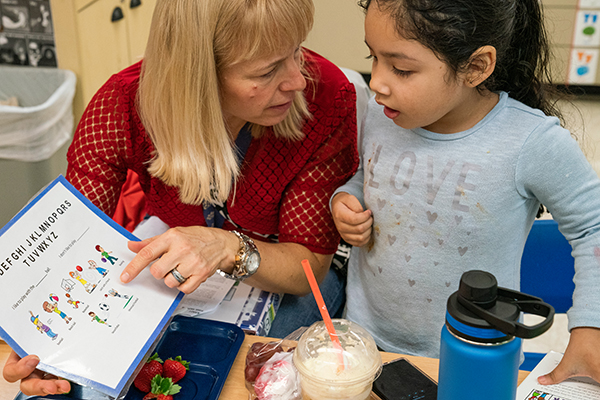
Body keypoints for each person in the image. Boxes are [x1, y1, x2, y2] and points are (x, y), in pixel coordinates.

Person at [2, 0, 359, 395]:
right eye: (267, 70)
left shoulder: (328, 98)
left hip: (282, 267)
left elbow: (306, 267)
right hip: (175, 249)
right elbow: (71, 244)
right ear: (201, 74)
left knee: (254, 382)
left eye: (297, 50)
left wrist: (227, 247)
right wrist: (45, 344)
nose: (298, 80)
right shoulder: (121, 104)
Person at [331, 0, 600, 386]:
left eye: (401, 69)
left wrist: (591, 328)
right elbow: (367, 174)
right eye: (372, 57)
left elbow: (594, 226)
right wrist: (346, 198)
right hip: (365, 346)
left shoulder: (529, 142)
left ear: (475, 67)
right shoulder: (383, 112)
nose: (376, 82)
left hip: (472, 360)